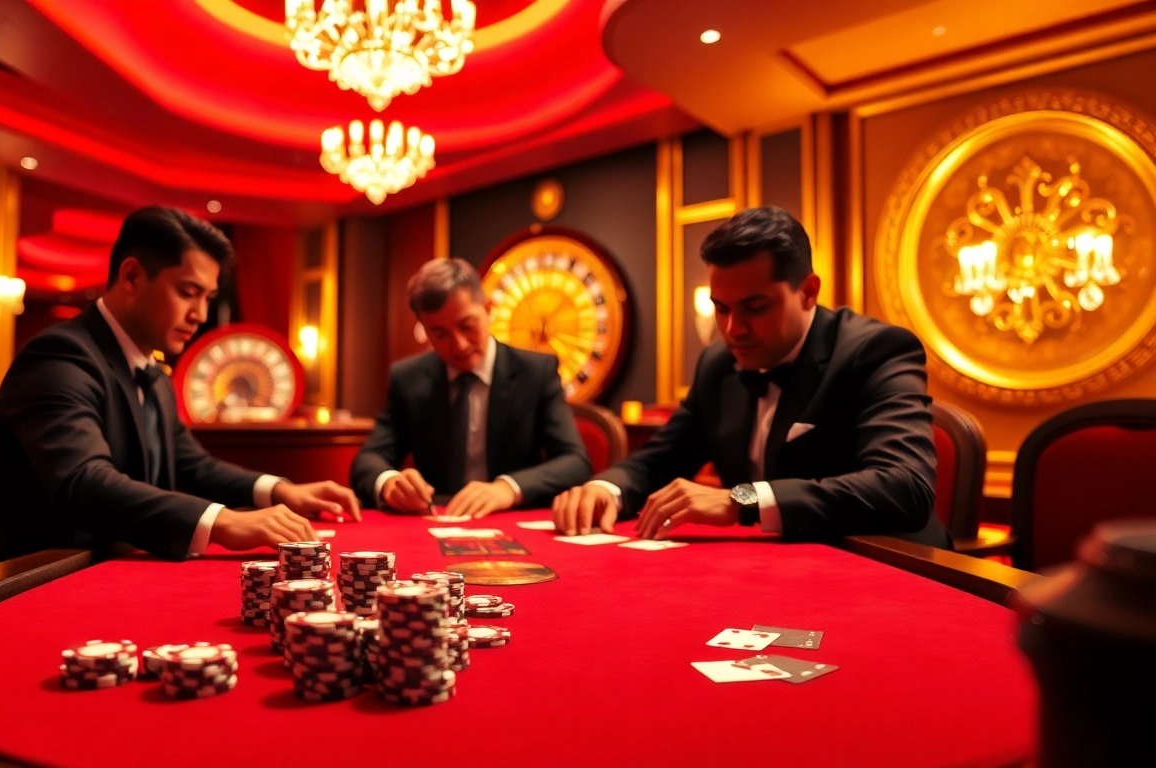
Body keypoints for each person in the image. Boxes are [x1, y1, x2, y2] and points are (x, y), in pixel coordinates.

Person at [0, 206, 359, 567]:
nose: (199, 314)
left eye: (208, 297)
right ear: (131, 276)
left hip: (105, 564)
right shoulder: (59, 355)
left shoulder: (153, 371)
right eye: (187, 292)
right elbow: (82, 481)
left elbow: (191, 466)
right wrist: (224, 521)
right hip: (22, 578)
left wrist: (280, 491)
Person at [551, 206, 948, 548]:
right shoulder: (718, 364)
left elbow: (905, 487)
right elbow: (660, 460)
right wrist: (605, 489)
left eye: (754, 308)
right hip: (775, 566)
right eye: (720, 308)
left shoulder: (876, 350)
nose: (732, 329)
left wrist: (742, 501)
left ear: (808, 292)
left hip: (887, 563)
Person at [350, 258, 591, 518]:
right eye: (440, 334)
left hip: (511, 517)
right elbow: (367, 461)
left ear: (487, 309)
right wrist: (389, 483)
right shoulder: (408, 377)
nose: (460, 345)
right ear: (424, 331)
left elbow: (575, 462)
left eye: (467, 326)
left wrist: (508, 488)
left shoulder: (535, 372)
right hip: (436, 520)